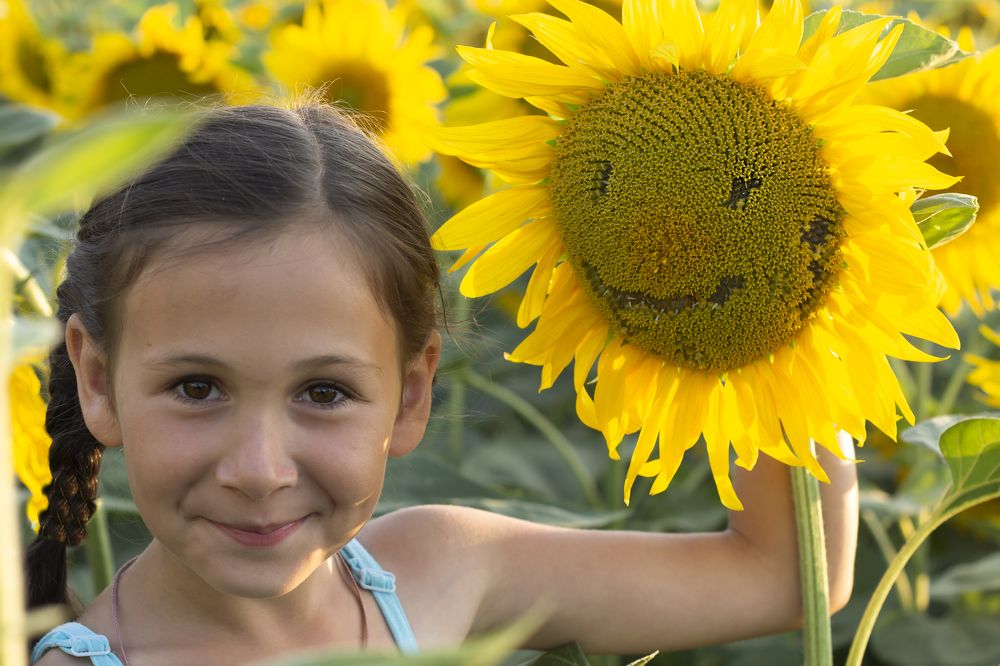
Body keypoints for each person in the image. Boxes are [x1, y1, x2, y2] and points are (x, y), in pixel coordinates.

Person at [26, 103, 858, 665]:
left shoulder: (441, 569)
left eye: (323, 393)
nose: (260, 469)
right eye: (199, 388)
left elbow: (785, 577)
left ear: (412, 394)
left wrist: (785, 281)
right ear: (97, 380)